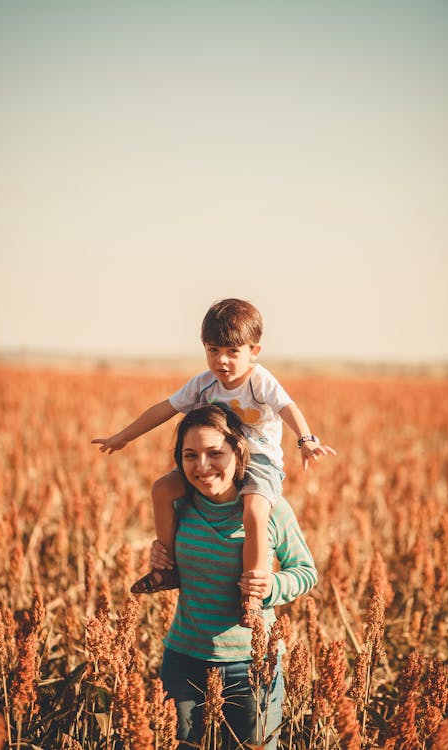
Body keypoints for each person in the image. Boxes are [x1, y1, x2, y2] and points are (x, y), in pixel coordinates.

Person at [92, 298, 334, 626]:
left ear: (254, 351)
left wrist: (305, 440)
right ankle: (167, 569)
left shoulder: (260, 381)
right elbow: (164, 409)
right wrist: (123, 436)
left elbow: (288, 407)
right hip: (215, 461)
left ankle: (251, 593)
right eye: (213, 349)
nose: (221, 360)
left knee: (254, 511)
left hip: (259, 462)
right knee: (162, 489)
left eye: (233, 351)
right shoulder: (203, 383)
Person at [152, 404, 318, 749]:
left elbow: (305, 571)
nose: (202, 466)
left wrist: (271, 586)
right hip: (183, 659)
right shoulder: (179, 507)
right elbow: (180, 572)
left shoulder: (269, 508)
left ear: (238, 451)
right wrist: (160, 562)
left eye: (215, 453)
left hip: (251, 664)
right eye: (190, 455)